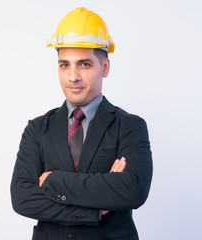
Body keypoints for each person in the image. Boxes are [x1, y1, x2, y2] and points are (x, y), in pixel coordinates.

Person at [10, 7, 153, 240]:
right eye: (64, 64)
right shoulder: (37, 129)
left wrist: (53, 180)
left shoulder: (129, 126)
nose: (72, 76)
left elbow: (133, 190)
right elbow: (22, 198)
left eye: (84, 64)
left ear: (104, 67)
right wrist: (95, 209)